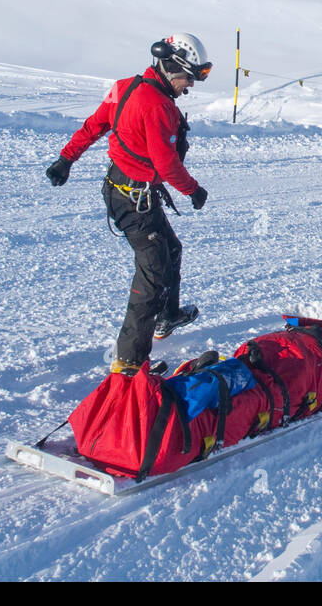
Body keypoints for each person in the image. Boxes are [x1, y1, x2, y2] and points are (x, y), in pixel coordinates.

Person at [45, 34, 212, 375]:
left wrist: (66, 159)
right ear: (171, 68)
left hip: (125, 190)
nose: (190, 85)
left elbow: (95, 124)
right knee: (153, 275)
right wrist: (193, 190)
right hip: (134, 200)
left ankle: (167, 316)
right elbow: (166, 164)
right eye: (188, 77)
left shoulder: (123, 87)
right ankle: (128, 362)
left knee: (172, 249)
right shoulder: (159, 107)